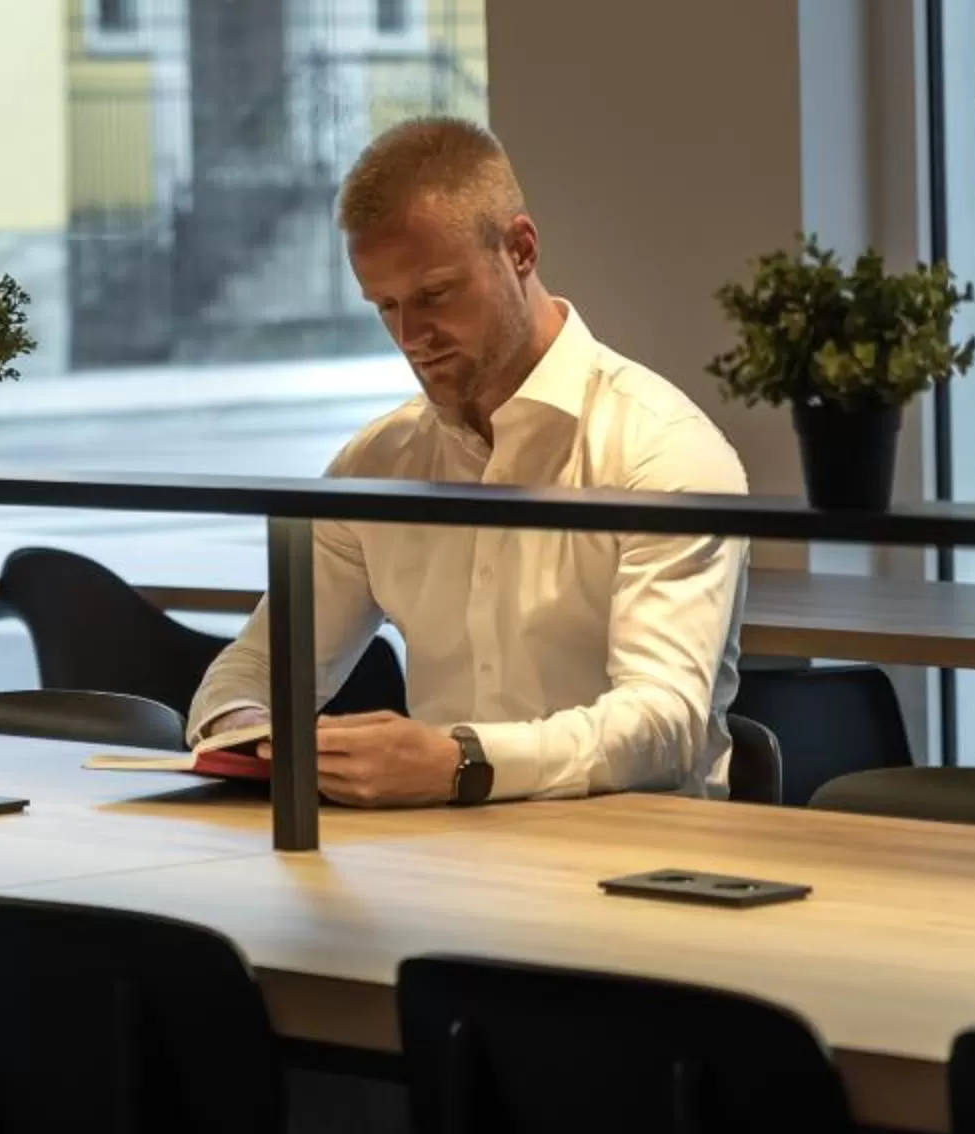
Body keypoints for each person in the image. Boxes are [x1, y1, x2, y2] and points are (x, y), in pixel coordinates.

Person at [192, 117, 748, 804]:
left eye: (433, 295)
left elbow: (663, 727)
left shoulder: (662, 450)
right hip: (438, 861)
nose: (409, 337)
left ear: (520, 248)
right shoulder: (376, 464)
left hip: (631, 869)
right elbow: (254, 667)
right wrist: (250, 730)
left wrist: (463, 762)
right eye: (384, 306)